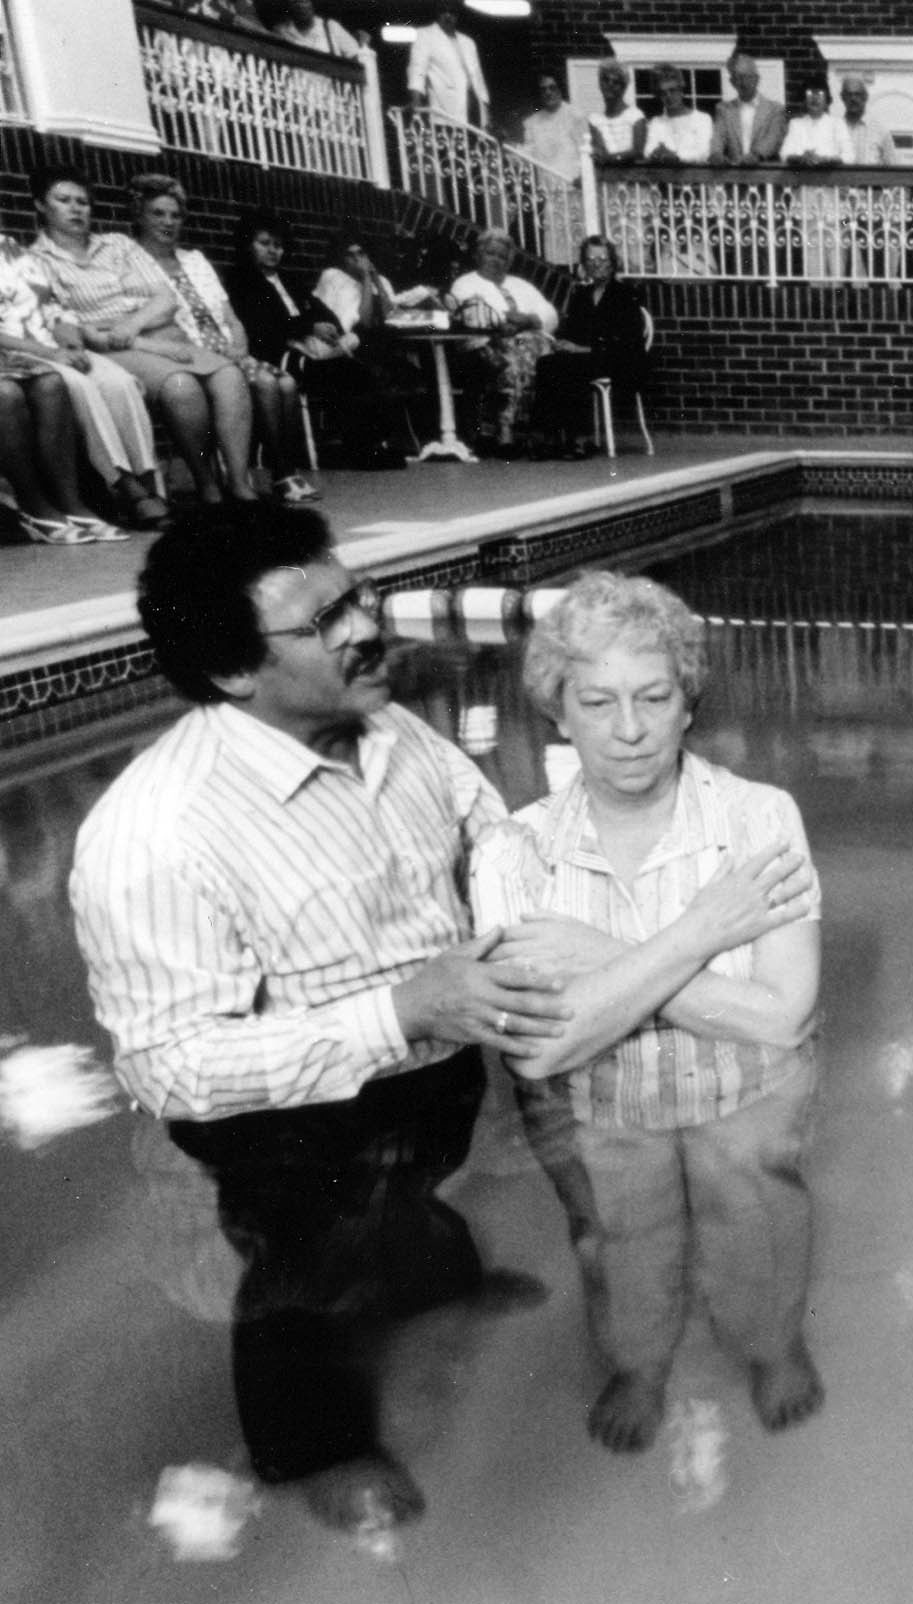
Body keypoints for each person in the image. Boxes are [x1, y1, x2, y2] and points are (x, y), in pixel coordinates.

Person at [69, 504, 562, 1534]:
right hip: (286, 1119)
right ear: (235, 670)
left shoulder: (390, 729)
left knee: (418, 1187)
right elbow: (172, 1067)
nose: (366, 625)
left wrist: (502, 930)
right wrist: (397, 1010)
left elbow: (485, 823)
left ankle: (433, 1292)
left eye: (358, 594)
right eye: (325, 619)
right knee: (303, 1276)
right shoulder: (156, 835)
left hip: (432, 1048)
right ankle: (309, 1448)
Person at [471, 572, 824, 1451]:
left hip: (747, 1094)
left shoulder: (757, 819)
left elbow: (781, 1019)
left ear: (687, 701)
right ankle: (641, 1362)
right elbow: (538, 1056)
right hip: (603, 1108)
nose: (628, 730)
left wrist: (594, 967)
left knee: (759, 1221)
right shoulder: (514, 849)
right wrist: (702, 932)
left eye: (652, 697)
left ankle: (770, 1342)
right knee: (618, 1241)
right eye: (597, 702)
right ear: (558, 710)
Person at [26, 166, 261, 505]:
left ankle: (239, 484)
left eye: (83, 202)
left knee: (229, 376)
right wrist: (143, 341)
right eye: (64, 200)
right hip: (116, 349)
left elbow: (165, 298)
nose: (77, 209)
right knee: (182, 386)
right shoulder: (38, 262)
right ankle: (207, 484)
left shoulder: (117, 245)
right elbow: (77, 328)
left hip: (155, 332)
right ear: (40, 205)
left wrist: (132, 325)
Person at [127, 174, 316, 504]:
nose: (168, 222)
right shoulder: (132, 264)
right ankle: (258, 479)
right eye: (158, 213)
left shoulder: (195, 260)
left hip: (227, 350)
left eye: (175, 215)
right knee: (269, 385)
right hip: (189, 355)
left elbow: (230, 318)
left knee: (284, 383)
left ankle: (281, 473)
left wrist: (239, 349)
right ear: (139, 215)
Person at [222, 214, 410, 472]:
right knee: (343, 374)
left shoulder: (288, 279)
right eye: (264, 243)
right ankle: (359, 451)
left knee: (359, 372)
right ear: (248, 244)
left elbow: (319, 309)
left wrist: (327, 324)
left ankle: (367, 447)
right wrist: (309, 326)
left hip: (305, 349)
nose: (273, 251)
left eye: (278, 245)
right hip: (274, 353)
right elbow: (263, 323)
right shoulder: (242, 281)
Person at [0, 237, 164, 529]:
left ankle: (149, 482)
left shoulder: (15, 252)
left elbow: (54, 307)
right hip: (21, 355)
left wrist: (73, 345)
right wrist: (52, 353)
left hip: (55, 344)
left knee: (119, 382)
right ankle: (126, 487)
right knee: (80, 385)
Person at [0, 253, 125, 542]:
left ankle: (71, 503)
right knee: (5, 395)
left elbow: (49, 305)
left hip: (10, 354)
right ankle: (34, 507)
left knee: (50, 384)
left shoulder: (8, 248)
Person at [528, 237, 649, 460]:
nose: (596, 263)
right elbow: (572, 331)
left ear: (612, 262)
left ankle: (579, 439)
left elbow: (626, 341)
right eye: (590, 258)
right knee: (547, 363)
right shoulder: (581, 295)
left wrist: (581, 349)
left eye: (602, 258)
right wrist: (563, 342)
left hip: (621, 360)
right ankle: (547, 437)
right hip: (587, 359)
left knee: (573, 366)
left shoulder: (626, 294)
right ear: (584, 263)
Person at [449, 229, 558, 456]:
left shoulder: (521, 285)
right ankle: (511, 431)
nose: (496, 260)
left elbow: (549, 314)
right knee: (517, 356)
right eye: (490, 253)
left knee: (541, 358)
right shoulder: (465, 283)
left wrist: (530, 319)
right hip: (484, 345)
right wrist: (509, 321)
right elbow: (474, 316)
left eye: (502, 256)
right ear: (478, 255)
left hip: (529, 342)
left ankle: (517, 431)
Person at [406, 0, 489, 128]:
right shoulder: (426, 35)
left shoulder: (468, 42)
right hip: (446, 109)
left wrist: (486, 112)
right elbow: (417, 70)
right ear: (437, 13)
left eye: (452, 12)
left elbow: (478, 79)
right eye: (443, 11)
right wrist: (416, 101)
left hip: (474, 109)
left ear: (457, 15)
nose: (448, 15)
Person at [711, 53, 787, 165]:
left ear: (757, 79)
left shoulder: (775, 109)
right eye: (737, 78)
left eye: (747, 77)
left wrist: (756, 155)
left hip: (765, 172)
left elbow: (773, 139)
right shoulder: (724, 109)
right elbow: (718, 136)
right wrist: (716, 154)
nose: (743, 83)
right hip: (734, 173)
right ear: (732, 82)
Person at [517, 73, 589, 179]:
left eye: (552, 88)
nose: (548, 92)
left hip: (573, 186)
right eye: (543, 89)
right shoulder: (532, 123)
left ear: (560, 89)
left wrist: (582, 177)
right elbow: (526, 154)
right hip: (547, 189)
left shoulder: (575, 116)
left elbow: (585, 154)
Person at [642, 68, 713, 164]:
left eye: (672, 90)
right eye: (663, 93)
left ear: (681, 90)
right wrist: (657, 153)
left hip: (695, 176)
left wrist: (676, 157)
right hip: (663, 177)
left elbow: (704, 152)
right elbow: (648, 151)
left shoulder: (702, 119)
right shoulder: (656, 122)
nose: (668, 96)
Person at [588, 60, 646, 168]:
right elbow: (600, 152)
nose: (610, 85)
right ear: (600, 83)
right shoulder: (594, 120)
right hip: (607, 180)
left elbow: (638, 152)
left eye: (616, 82)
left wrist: (609, 158)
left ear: (623, 87)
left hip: (633, 178)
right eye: (605, 80)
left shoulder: (636, 116)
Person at [779, 79, 846, 166]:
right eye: (810, 93)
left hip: (830, 176)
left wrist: (825, 160)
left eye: (819, 94)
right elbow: (784, 154)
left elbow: (849, 155)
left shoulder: (837, 124)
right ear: (804, 99)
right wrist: (802, 158)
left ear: (827, 99)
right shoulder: (796, 124)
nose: (814, 98)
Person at [837, 74, 897, 167]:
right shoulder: (835, 129)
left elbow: (893, 170)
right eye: (849, 94)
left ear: (865, 97)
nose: (853, 99)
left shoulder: (880, 131)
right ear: (842, 97)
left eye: (857, 94)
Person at [274, 0, 363, 59]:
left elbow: (355, 55)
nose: (301, 6)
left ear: (312, 4)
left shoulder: (330, 27)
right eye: (296, 1)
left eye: (304, 1)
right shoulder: (282, 32)